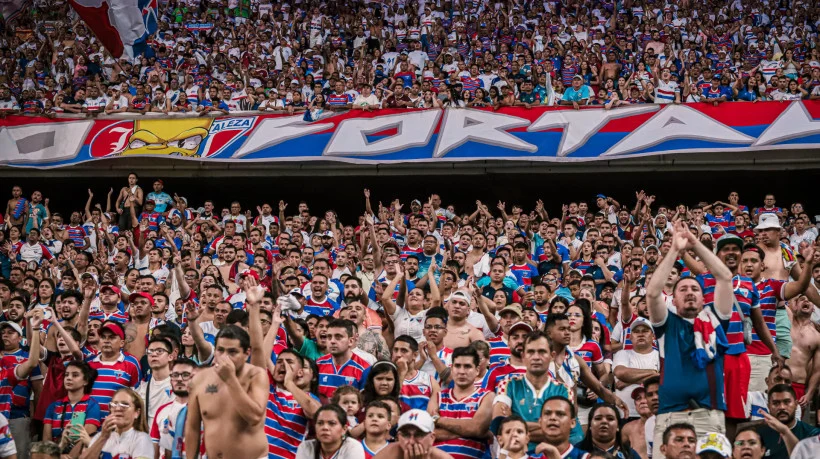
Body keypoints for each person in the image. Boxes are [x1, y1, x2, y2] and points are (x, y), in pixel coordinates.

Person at [647, 221, 734, 459]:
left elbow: (725, 277)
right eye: (682, 289)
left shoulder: (715, 320)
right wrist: (674, 249)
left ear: (703, 299)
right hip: (669, 416)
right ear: (673, 301)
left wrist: (695, 245)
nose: (689, 292)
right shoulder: (666, 324)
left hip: (709, 415)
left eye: (695, 289)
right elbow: (653, 292)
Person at [185, 325, 268, 459]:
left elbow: (255, 418)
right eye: (220, 350)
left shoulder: (257, 375)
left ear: (247, 353)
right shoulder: (200, 379)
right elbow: (192, 428)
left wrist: (230, 379)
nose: (225, 357)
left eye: (232, 352)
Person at [492, 331, 572, 454]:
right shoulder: (507, 384)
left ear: (552, 356)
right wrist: (549, 428)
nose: (536, 357)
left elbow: (564, 432)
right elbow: (500, 427)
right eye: (530, 352)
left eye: (542, 352)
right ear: (523, 356)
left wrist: (516, 423)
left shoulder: (564, 389)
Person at [430, 346, 494, 458]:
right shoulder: (437, 396)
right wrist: (471, 431)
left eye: (467, 366)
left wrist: (437, 419)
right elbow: (428, 434)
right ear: (451, 368)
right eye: (457, 366)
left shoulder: (487, 396)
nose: (462, 371)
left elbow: (476, 428)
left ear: (477, 370)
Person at [77, 387, 153, 459]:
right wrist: (103, 437)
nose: (118, 408)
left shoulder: (142, 439)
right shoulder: (100, 436)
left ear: (137, 412)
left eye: (125, 405)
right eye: (114, 404)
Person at [754, 384, 820, 459]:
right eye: (776, 403)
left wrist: (785, 431)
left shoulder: (813, 434)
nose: (782, 407)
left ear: (796, 404)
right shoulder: (759, 435)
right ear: (769, 406)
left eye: (787, 402)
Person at [373, 409, 454, 459]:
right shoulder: (389, 453)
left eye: (419, 435)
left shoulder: (442, 458)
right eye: (406, 435)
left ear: (432, 438)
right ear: (398, 436)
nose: (411, 441)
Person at [295, 404, 364, 459]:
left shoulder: (353, 447)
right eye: (320, 423)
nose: (325, 427)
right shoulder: (305, 447)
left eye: (332, 423)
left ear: (344, 429)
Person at [575, 403, 640, 459]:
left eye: (610, 419)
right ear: (590, 425)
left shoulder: (630, 454)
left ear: (618, 426)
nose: (604, 421)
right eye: (598, 418)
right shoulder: (576, 452)